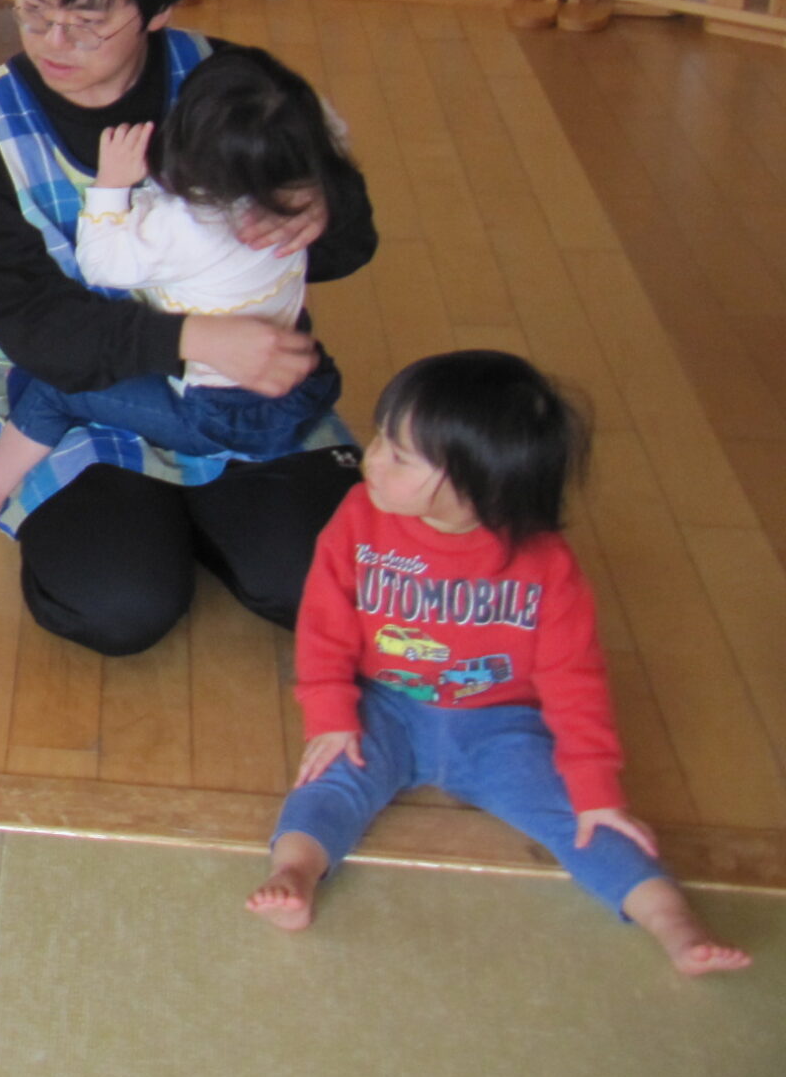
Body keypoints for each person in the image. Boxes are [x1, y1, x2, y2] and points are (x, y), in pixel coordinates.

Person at [0, 0, 376, 658]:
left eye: (88, 23)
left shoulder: (234, 87)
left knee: (329, 583)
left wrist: (322, 204)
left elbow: (350, 246)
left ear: (160, 9)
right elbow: (37, 330)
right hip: (68, 382)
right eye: (33, 11)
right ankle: (169, 513)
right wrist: (191, 340)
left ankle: (196, 509)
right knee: (119, 605)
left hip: (237, 381)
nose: (53, 42)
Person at [246, 352, 751, 977]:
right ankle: (295, 873)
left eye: (400, 456)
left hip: (502, 726)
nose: (371, 458)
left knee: (585, 824)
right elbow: (325, 626)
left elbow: (576, 683)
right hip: (385, 706)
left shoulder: (546, 566)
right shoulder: (358, 517)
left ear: (480, 484)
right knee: (327, 786)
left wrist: (596, 793)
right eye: (380, 437)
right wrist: (332, 717)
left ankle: (671, 920)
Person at [0, 46, 346, 527]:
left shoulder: (182, 225)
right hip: (300, 389)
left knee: (55, 389)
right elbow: (329, 133)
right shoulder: (291, 203)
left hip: (216, 413)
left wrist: (113, 186)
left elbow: (102, 265)